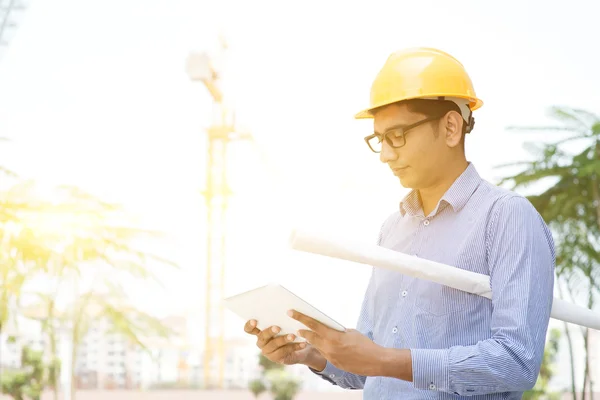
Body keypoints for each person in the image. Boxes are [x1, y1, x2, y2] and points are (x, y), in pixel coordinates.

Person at [243, 47, 556, 399]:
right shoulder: (393, 230)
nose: (387, 155)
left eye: (397, 136)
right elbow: (371, 361)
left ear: (451, 127)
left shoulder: (507, 218)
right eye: (379, 140)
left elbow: (516, 362)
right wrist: (312, 354)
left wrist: (383, 360)